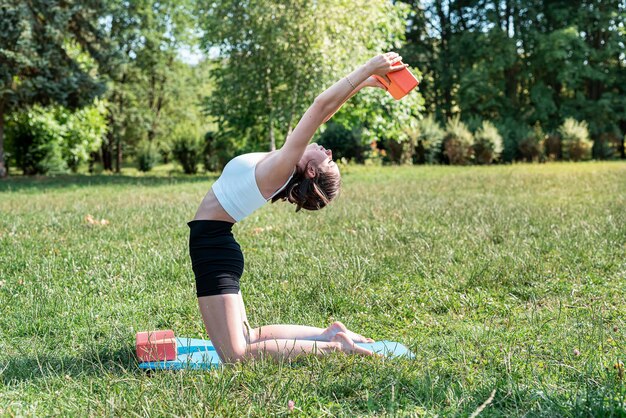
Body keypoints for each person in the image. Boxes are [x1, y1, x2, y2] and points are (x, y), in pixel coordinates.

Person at [189, 52, 408, 363]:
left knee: (235, 356)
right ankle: (326, 334)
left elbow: (318, 107)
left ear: (312, 171)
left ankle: (335, 347)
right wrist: (365, 82)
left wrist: (368, 68)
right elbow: (324, 112)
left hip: (211, 247)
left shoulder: (281, 167)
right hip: (216, 244)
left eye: (329, 159)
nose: (328, 149)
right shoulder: (282, 162)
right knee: (247, 338)